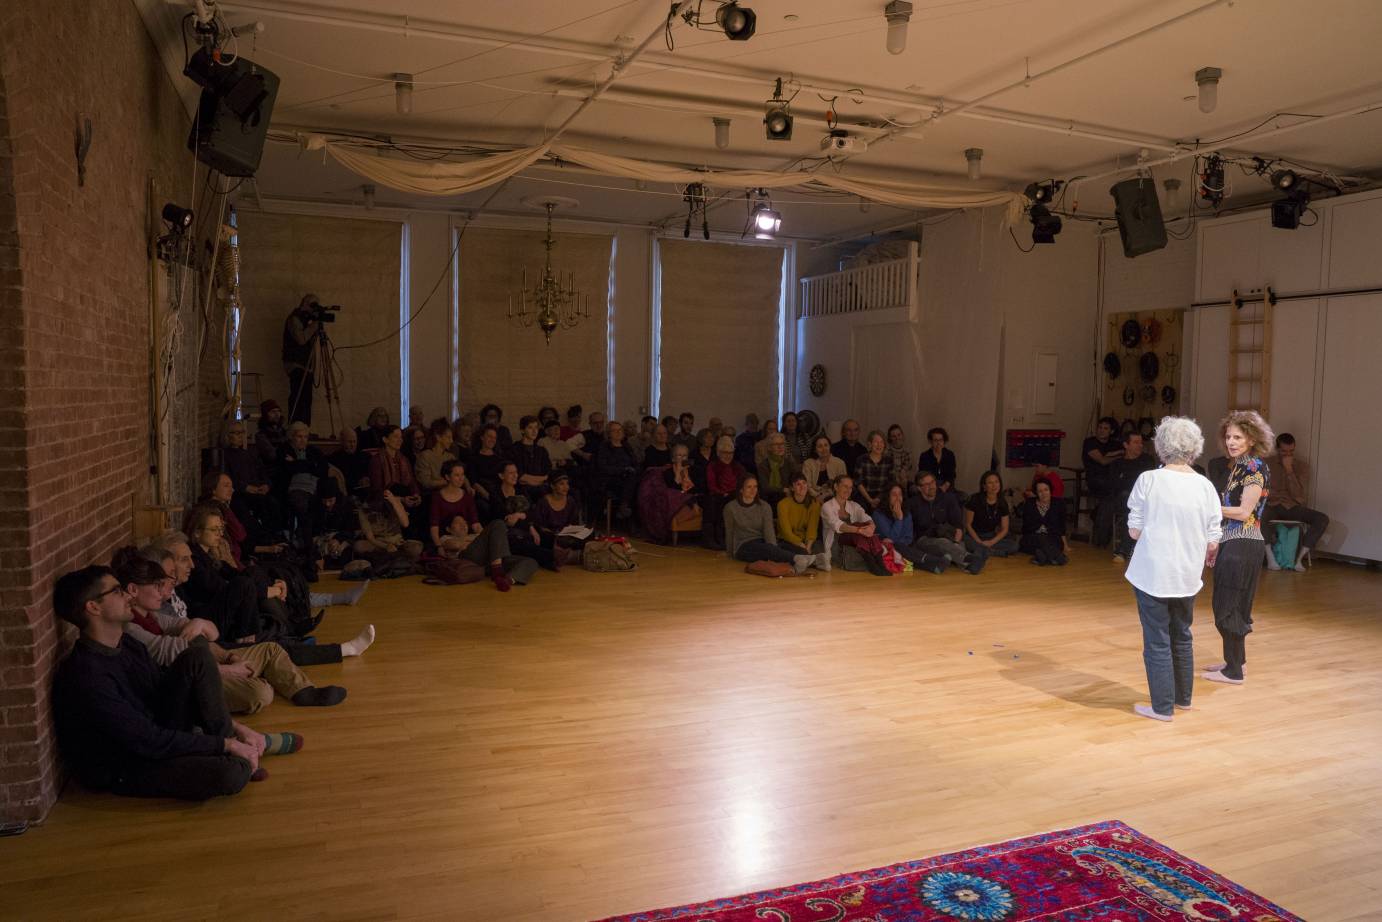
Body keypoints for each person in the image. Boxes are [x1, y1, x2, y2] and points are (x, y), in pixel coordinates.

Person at [52, 565, 270, 799]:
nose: (129, 595)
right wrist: (225, 745)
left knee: (198, 655)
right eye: (117, 591)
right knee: (229, 775)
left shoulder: (127, 644)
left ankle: (237, 748)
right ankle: (235, 755)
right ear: (93, 607)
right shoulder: (87, 675)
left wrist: (236, 730)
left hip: (157, 730)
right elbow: (148, 740)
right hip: (128, 763)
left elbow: (162, 691)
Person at [112, 549, 347, 713]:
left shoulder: (152, 615)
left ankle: (303, 691)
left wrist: (222, 650)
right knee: (260, 693)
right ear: (133, 590)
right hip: (187, 680)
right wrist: (226, 667)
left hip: (207, 659)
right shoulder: (130, 627)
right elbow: (176, 652)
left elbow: (206, 635)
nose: (163, 592)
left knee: (271, 650)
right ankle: (262, 678)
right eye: (156, 586)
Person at [1123, 416, 1223, 721]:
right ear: (1195, 449)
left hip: (1153, 574)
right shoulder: (1205, 486)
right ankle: (1183, 699)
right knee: (1182, 634)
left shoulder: (1149, 480)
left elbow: (1134, 531)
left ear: (1161, 446)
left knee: (1157, 639)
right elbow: (1213, 537)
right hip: (1187, 575)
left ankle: (1161, 707)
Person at [1205, 410, 1274, 686]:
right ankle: (1236, 663)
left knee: (1228, 607)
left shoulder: (1255, 467)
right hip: (1234, 542)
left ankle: (1233, 671)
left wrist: (1208, 508)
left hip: (1244, 543)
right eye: (1229, 436)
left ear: (1252, 439)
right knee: (1232, 604)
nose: (1231, 441)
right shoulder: (1238, 467)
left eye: (1238, 437)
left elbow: (1245, 512)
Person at [428, 459, 519, 590]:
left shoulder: (467, 496)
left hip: (470, 538)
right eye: (457, 475)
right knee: (498, 523)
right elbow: (434, 525)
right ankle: (497, 571)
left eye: (463, 475)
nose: (461, 478)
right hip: (451, 539)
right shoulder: (437, 497)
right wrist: (438, 546)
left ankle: (504, 575)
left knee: (499, 528)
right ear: (447, 477)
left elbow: (475, 524)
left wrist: (486, 537)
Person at [724, 475, 825, 573]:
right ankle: (797, 560)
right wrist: (729, 553)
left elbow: (769, 532)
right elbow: (729, 531)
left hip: (763, 541)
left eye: (755, 486)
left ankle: (816, 561)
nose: (753, 490)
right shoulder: (730, 508)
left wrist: (774, 549)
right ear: (741, 489)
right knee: (768, 549)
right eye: (749, 487)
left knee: (794, 550)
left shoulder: (764, 506)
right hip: (743, 546)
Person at [1262, 432, 1329, 570]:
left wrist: (1289, 470)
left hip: (1292, 507)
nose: (1288, 454)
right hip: (1272, 505)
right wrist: (1276, 495)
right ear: (1277, 449)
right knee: (1257, 515)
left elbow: (1299, 495)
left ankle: (1298, 559)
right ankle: (1270, 558)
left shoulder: (1302, 466)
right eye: (1284, 451)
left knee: (1322, 518)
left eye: (1291, 451)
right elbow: (1262, 490)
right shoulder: (1266, 463)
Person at [908, 472, 985, 573]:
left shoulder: (948, 498)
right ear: (919, 488)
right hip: (924, 540)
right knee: (944, 543)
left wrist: (956, 543)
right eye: (926, 484)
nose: (931, 486)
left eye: (932, 482)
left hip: (948, 535)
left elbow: (958, 524)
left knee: (956, 544)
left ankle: (969, 565)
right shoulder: (912, 503)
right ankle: (971, 559)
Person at [277, 421, 329, 555]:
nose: (303, 440)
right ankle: (307, 547)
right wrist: (310, 466)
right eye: (299, 436)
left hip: (314, 489)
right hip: (292, 489)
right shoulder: (284, 450)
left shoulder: (314, 451)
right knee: (302, 506)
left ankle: (315, 542)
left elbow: (322, 469)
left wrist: (297, 463)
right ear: (292, 437)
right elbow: (286, 470)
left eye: (305, 437)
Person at [821, 475, 890, 574]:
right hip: (837, 545)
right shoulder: (827, 506)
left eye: (850, 488)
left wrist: (871, 526)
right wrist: (859, 530)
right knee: (858, 526)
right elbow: (839, 526)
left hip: (857, 543)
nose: (848, 490)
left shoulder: (854, 505)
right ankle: (874, 563)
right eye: (845, 486)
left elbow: (867, 518)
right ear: (836, 487)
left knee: (865, 524)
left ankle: (879, 563)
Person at [872, 484, 947, 573]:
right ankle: (931, 560)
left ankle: (934, 567)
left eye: (900, 494)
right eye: (894, 494)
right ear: (887, 497)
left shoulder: (906, 514)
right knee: (898, 546)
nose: (897, 497)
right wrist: (899, 519)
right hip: (885, 550)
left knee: (907, 547)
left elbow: (908, 537)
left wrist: (899, 542)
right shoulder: (878, 514)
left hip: (903, 548)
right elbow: (891, 537)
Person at [1109, 432, 1157, 561]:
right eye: (1136, 442)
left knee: (1134, 510)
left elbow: (1151, 482)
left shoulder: (1147, 460)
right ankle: (1125, 549)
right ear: (1126, 445)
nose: (1140, 445)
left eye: (1141, 442)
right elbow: (1115, 486)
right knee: (1130, 508)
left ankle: (1124, 550)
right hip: (1125, 500)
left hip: (1145, 500)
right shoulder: (1117, 464)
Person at [1083, 417, 1124, 545]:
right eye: (1100, 427)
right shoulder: (1090, 442)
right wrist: (1117, 455)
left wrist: (1113, 454)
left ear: (1111, 431)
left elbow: (1124, 452)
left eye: (1105, 428)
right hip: (1095, 479)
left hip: (1111, 479)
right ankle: (1102, 527)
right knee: (1111, 494)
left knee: (1114, 493)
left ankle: (1098, 516)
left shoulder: (1114, 444)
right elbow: (1102, 460)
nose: (1101, 430)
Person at [282, 294, 322, 424]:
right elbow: (301, 339)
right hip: (296, 365)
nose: (314, 309)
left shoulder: (306, 320)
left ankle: (304, 428)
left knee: (306, 399)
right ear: (304, 304)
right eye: (312, 305)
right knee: (298, 398)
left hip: (306, 366)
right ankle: (295, 427)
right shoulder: (295, 319)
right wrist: (314, 325)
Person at [701, 435, 746, 550]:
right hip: (717, 494)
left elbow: (743, 483)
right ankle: (711, 539)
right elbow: (711, 485)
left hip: (734, 494)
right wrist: (722, 493)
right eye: (724, 453)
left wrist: (732, 493)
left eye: (730, 453)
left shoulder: (738, 466)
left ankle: (726, 539)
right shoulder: (713, 465)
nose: (728, 456)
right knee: (714, 501)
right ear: (718, 453)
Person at [593, 421, 639, 523]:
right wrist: (623, 470)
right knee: (630, 480)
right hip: (611, 478)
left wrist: (633, 469)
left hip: (627, 476)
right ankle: (624, 507)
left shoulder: (626, 446)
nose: (618, 432)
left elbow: (634, 461)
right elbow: (603, 466)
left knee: (638, 482)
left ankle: (630, 515)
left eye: (620, 430)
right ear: (609, 433)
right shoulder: (604, 446)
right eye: (614, 431)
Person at [964, 471, 1018, 557]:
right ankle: (996, 553)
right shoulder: (975, 499)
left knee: (1014, 546)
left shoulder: (1002, 502)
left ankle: (985, 551)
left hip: (991, 536)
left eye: (996, 482)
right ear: (984, 486)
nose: (994, 485)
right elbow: (968, 524)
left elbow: (1005, 529)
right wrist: (979, 542)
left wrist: (991, 542)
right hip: (974, 536)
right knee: (967, 544)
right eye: (990, 483)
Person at [1019, 480, 1070, 565]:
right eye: (1040, 491)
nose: (1044, 493)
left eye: (1046, 490)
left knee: (1051, 542)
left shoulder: (1059, 503)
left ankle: (1042, 558)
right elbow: (1025, 527)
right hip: (1032, 537)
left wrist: (1065, 545)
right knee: (1041, 538)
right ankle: (1057, 558)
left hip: (1052, 537)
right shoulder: (1029, 503)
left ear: (1050, 490)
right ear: (1036, 493)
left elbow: (1062, 527)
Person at [776, 473, 822, 556]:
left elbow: (812, 529)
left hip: (806, 541)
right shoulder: (783, 504)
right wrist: (802, 546)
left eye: (804, 483)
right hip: (788, 540)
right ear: (792, 488)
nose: (802, 487)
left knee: (820, 549)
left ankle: (810, 560)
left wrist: (808, 547)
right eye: (798, 484)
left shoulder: (814, 504)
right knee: (800, 553)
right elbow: (787, 533)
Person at [509, 415, 553, 498]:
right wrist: (541, 479)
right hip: (522, 489)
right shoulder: (514, 450)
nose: (534, 431)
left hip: (542, 487)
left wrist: (536, 480)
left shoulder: (541, 450)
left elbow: (548, 474)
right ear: (522, 430)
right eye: (530, 428)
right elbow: (520, 477)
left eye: (536, 428)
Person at [852, 430, 894, 511]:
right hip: (864, 495)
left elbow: (890, 483)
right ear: (870, 444)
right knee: (861, 509)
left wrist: (879, 498)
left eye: (881, 442)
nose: (879, 445)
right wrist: (870, 500)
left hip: (882, 495)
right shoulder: (861, 459)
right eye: (876, 442)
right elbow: (858, 482)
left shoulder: (889, 460)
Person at [756, 432, 800, 508]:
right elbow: (765, 488)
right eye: (776, 444)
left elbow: (798, 477)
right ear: (769, 447)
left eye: (782, 444)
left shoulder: (789, 462)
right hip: (770, 499)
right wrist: (783, 490)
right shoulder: (763, 465)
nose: (780, 447)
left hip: (788, 496)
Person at [414, 418, 459, 493]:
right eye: (448, 437)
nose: (451, 441)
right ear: (438, 437)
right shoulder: (425, 456)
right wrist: (448, 482)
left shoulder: (450, 457)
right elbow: (425, 482)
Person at [802, 435, 847, 503]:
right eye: (820, 446)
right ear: (815, 450)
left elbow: (843, 484)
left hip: (834, 497)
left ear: (830, 447)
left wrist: (828, 496)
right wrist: (817, 496)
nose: (824, 449)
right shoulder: (808, 463)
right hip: (814, 497)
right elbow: (807, 485)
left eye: (826, 445)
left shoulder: (839, 463)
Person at [328, 427, 371, 498]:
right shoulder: (334, 458)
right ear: (342, 441)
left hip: (365, 491)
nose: (352, 445)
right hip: (346, 492)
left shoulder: (364, 456)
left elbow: (370, 472)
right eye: (349, 442)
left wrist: (366, 478)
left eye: (354, 441)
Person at [918, 427, 957, 492]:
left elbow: (952, 475)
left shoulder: (950, 455)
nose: (938, 443)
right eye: (935, 440)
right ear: (931, 442)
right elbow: (923, 475)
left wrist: (945, 486)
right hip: (929, 486)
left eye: (940, 440)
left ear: (944, 441)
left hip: (946, 486)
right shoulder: (924, 456)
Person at [254, 399, 288, 466]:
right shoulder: (261, 435)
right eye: (273, 411)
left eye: (278, 411)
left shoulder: (284, 432)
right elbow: (271, 456)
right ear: (266, 415)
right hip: (271, 471)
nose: (277, 414)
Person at [886, 425, 913, 490]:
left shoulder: (908, 452)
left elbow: (906, 470)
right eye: (894, 436)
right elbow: (888, 471)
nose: (897, 438)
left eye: (899, 435)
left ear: (902, 435)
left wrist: (903, 477)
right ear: (890, 438)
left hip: (904, 480)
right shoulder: (886, 452)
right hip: (890, 480)